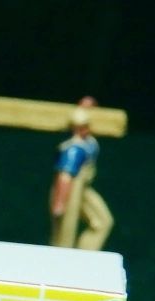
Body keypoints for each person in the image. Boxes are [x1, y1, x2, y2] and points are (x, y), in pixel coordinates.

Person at [49, 97, 114, 250]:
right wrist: (60, 203)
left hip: (83, 189)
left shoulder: (89, 142)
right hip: (70, 191)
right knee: (65, 235)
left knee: (102, 221)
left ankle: (85, 255)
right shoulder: (74, 149)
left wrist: (87, 106)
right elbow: (64, 177)